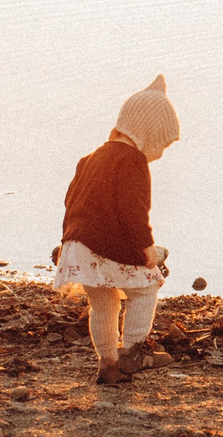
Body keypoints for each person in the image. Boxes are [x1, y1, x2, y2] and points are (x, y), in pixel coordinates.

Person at [53, 74, 181, 386]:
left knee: (104, 303)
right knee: (146, 288)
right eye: (162, 144)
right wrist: (147, 246)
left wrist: (66, 241)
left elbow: (72, 201)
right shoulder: (133, 160)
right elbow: (133, 208)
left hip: (78, 245)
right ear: (148, 133)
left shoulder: (90, 158)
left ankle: (107, 364)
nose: (160, 153)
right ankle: (134, 351)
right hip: (104, 246)